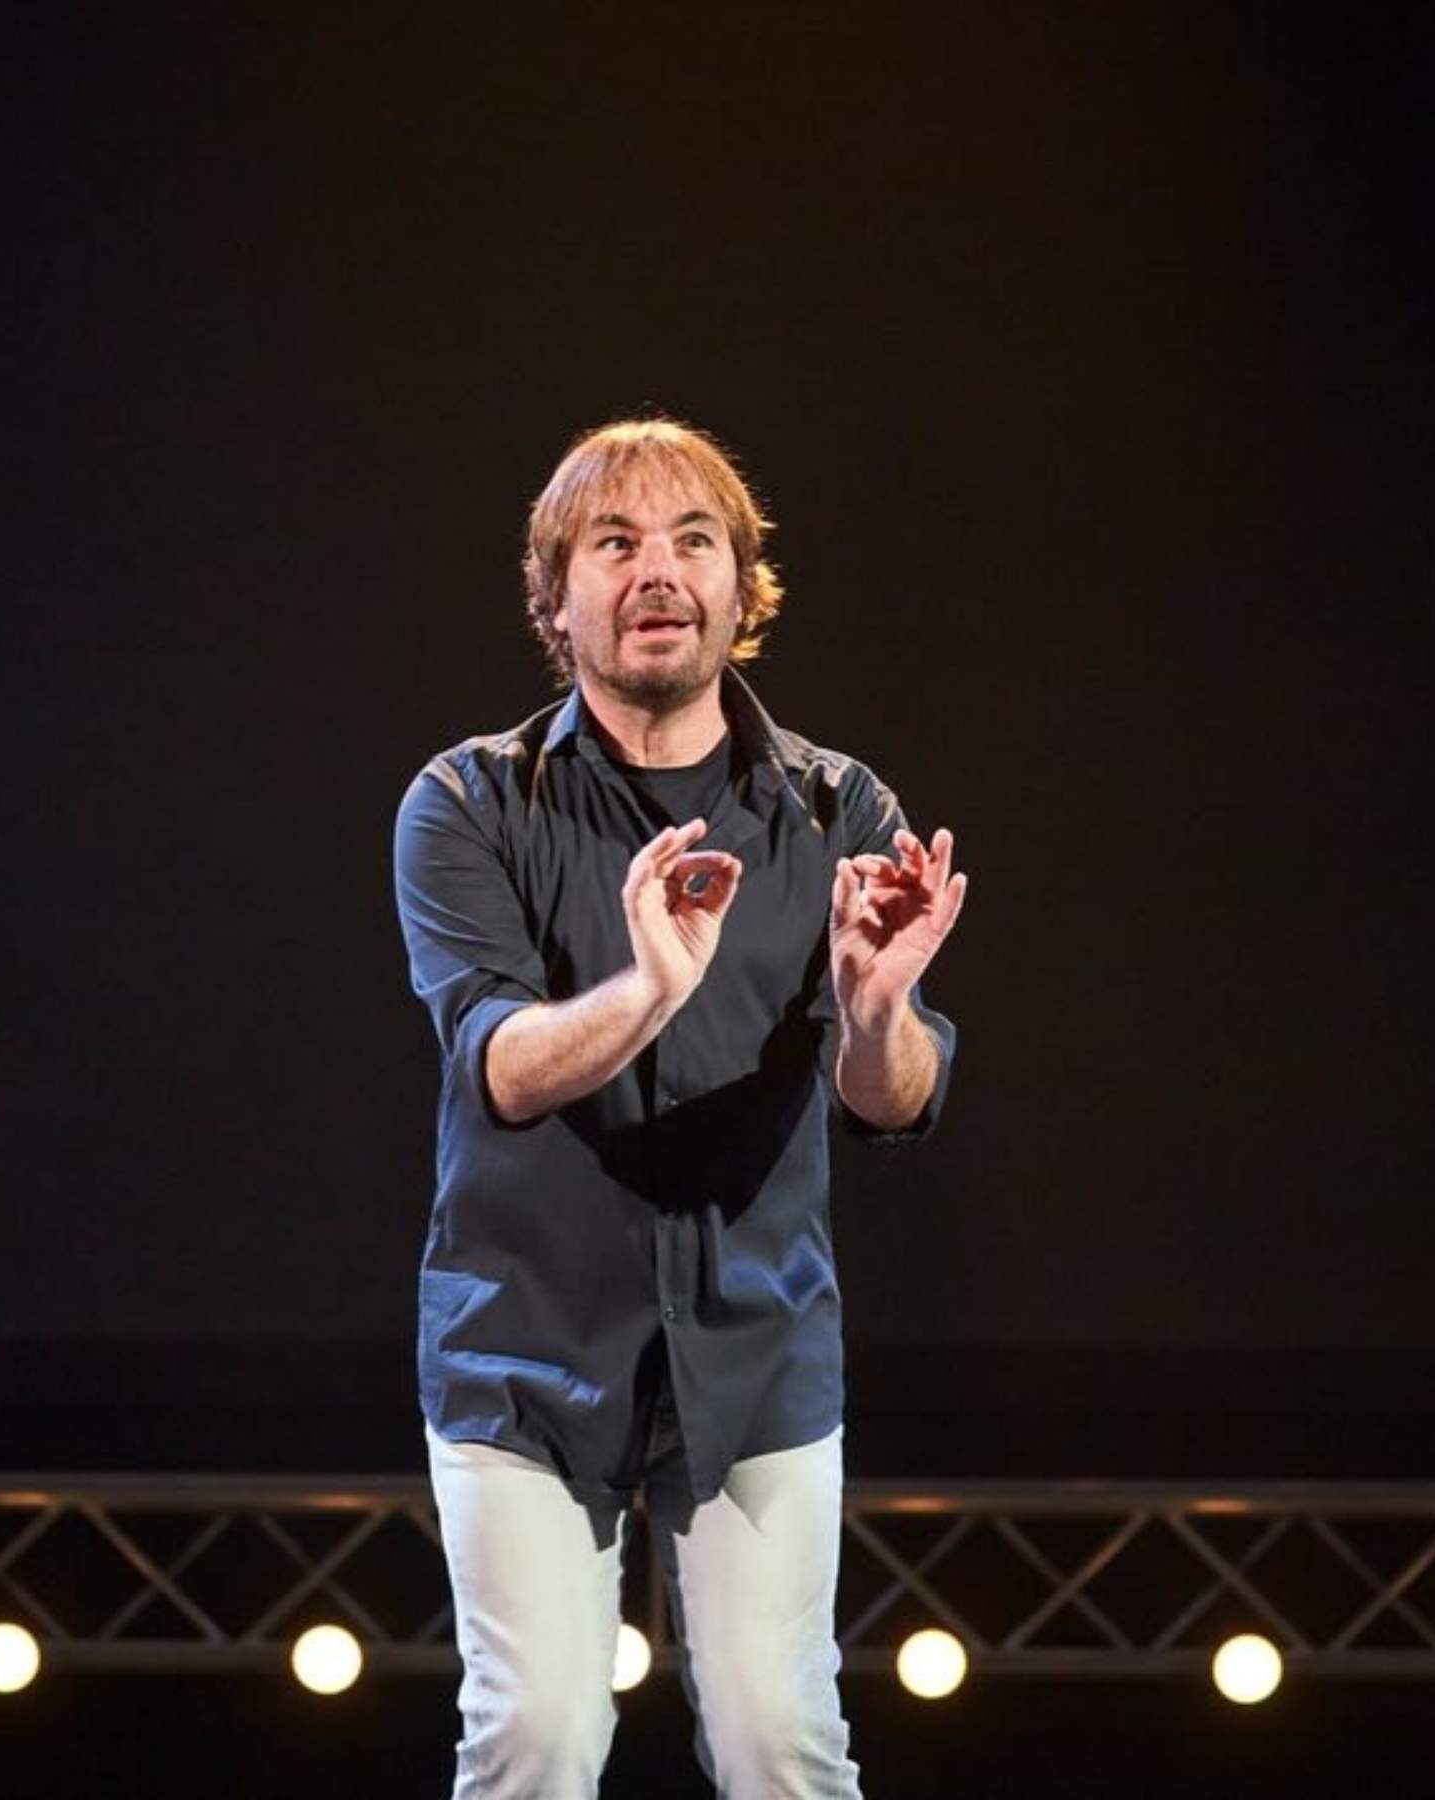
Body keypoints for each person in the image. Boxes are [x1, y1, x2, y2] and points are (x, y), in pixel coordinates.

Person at [392, 418, 966, 1799]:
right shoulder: (469, 802)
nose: (659, 570)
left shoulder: (839, 808)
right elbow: (502, 1065)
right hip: (523, 1348)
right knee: (538, 1739)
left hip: (758, 1347)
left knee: (783, 1745)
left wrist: (880, 1011)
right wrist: (651, 984)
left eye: (693, 541)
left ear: (740, 587)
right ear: (555, 596)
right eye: (616, 543)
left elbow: (896, 1099)